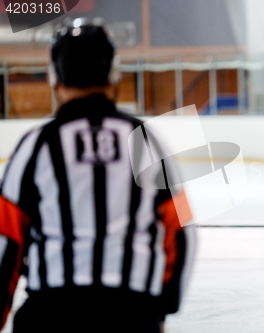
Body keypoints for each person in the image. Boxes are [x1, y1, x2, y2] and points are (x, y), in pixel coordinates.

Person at [0, 18, 194, 333]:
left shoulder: (34, 147)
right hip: (133, 315)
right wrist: (160, 309)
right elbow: (181, 228)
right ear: (112, 77)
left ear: (55, 79)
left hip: (51, 314)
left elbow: (6, 239)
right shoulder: (145, 141)